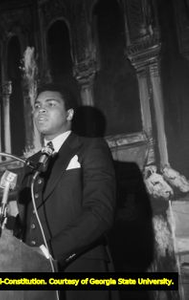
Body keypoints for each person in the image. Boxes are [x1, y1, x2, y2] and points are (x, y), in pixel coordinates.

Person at [16, 83, 116, 300]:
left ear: (69, 113)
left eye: (50, 104)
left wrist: (47, 253)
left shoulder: (91, 147)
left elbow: (100, 213)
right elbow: (26, 221)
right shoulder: (29, 163)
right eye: (37, 105)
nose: (40, 110)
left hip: (80, 271)